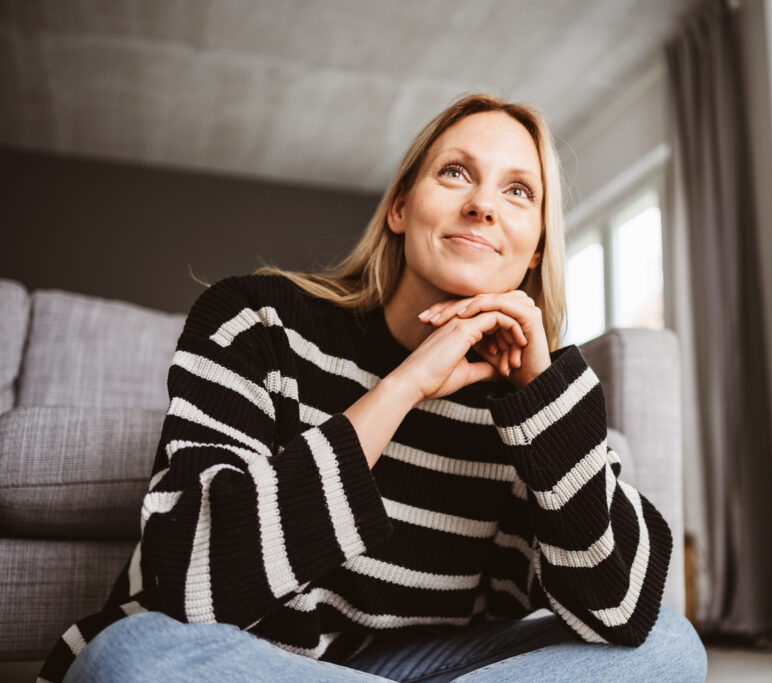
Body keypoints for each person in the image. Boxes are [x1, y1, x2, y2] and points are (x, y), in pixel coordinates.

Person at [38, 94, 708, 682]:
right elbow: (190, 579)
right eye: (455, 173)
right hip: (242, 657)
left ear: (534, 249)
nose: (481, 205)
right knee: (131, 659)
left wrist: (542, 399)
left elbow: (621, 609)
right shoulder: (258, 320)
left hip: (426, 662)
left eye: (518, 192)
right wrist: (405, 385)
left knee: (669, 646)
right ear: (399, 206)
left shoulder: (536, 395)